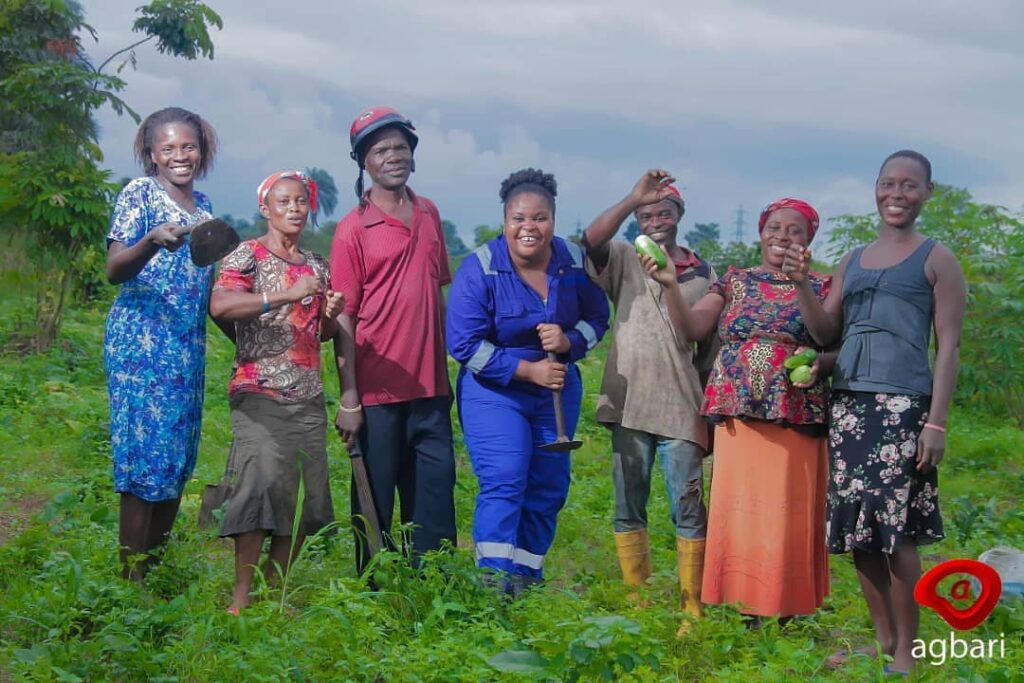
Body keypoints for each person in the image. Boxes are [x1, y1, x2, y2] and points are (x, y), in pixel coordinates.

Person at [785, 150, 966, 675]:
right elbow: (825, 333)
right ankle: (883, 639)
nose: (897, 193)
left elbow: (949, 348)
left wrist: (936, 422)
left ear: (927, 193)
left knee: (896, 531)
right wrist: (802, 284)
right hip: (850, 405)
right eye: (889, 183)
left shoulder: (937, 259)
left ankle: (909, 650)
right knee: (858, 531)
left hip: (904, 407)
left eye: (910, 186)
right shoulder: (853, 259)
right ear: (876, 188)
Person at [640, 197, 831, 622]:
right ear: (760, 232)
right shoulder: (734, 280)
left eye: (794, 230)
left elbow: (826, 337)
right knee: (742, 507)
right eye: (774, 227)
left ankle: (786, 607)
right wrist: (671, 284)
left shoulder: (823, 286)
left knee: (786, 510)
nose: (782, 236)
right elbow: (693, 328)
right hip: (737, 410)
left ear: (808, 240)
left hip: (793, 412)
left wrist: (799, 283)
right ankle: (745, 605)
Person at [447, 168, 610, 595]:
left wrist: (571, 341)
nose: (528, 227)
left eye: (539, 218)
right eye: (518, 218)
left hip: (556, 390)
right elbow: (464, 344)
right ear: (504, 220)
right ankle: (493, 586)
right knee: (505, 478)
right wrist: (526, 370)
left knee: (548, 487)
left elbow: (598, 318)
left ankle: (526, 583)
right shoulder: (481, 268)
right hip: (495, 393)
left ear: (553, 221)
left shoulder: (571, 261)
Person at [581, 170, 717, 632]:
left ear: (680, 215)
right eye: (645, 214)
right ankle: (637, 600)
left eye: (664, 211)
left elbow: (709, 351)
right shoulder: (623, 257)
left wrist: (709, 413)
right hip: (628, 401)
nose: (655, 219)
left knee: (689, 505)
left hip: (682, 406)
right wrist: (631, 198)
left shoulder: (704, 273)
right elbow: (592, 237)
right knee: (627, 505)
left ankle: (691, 608)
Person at [210, 171, 342, 613]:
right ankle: (240, 597)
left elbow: (318, 333)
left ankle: (270, 588)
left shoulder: (317, 264)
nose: (294, 208)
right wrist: (283, 295)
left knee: (305, 497)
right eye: (283, 201)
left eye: (301, 201)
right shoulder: (246, 254)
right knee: (258, 486)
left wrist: (330, 315)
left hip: (307, 398)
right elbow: (222, 305)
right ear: (265, 209)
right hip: (257, 391)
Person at [331, 106, 457, 572]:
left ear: (413, 154)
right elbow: (343, 316)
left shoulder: (429, 213)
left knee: (434, 502)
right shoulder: (352, 230)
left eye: (401, 147)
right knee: (375, 504)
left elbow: (436, 292)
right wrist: (349, 397)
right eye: (380, 149)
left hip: (431, 390)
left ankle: (435, 590)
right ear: (364, 162)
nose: (393, 156)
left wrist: (450, 365)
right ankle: (376, 596)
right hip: (378, 392)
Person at [104, 106, 221, 580]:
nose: (180, 156)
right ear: (151, 154)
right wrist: (152, 240)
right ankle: (129, 584)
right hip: (141, 346)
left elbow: (211, 295)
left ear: (202, 151)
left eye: (188, 146)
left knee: (176, 458)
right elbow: (114, 269)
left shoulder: (207, 211)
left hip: (185, 350)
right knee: (142, 459)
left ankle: (152, 575)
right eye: (168, 148)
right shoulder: (140, 194)